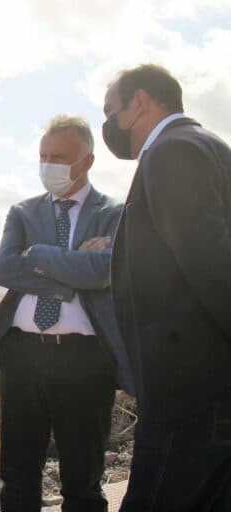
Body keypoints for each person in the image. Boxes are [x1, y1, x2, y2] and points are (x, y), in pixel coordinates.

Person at [0, 115, 133, 512]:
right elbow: (6, 270)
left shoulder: (115, 212)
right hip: (22, 355)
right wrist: (73, 270)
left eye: (59, 156)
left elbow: (105, 270)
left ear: (87, 161)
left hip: (85, 360)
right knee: (18, 474)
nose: (48, 165)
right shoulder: (23, 212)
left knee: (83, 478)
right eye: (43, 155)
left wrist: (38, 256)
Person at [102, 64, 231, 511]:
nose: (108, 126)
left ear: (138, 102)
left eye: (110, 111)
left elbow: (213, 264)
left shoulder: (173, 152)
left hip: (189, 393)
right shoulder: (207, 146)